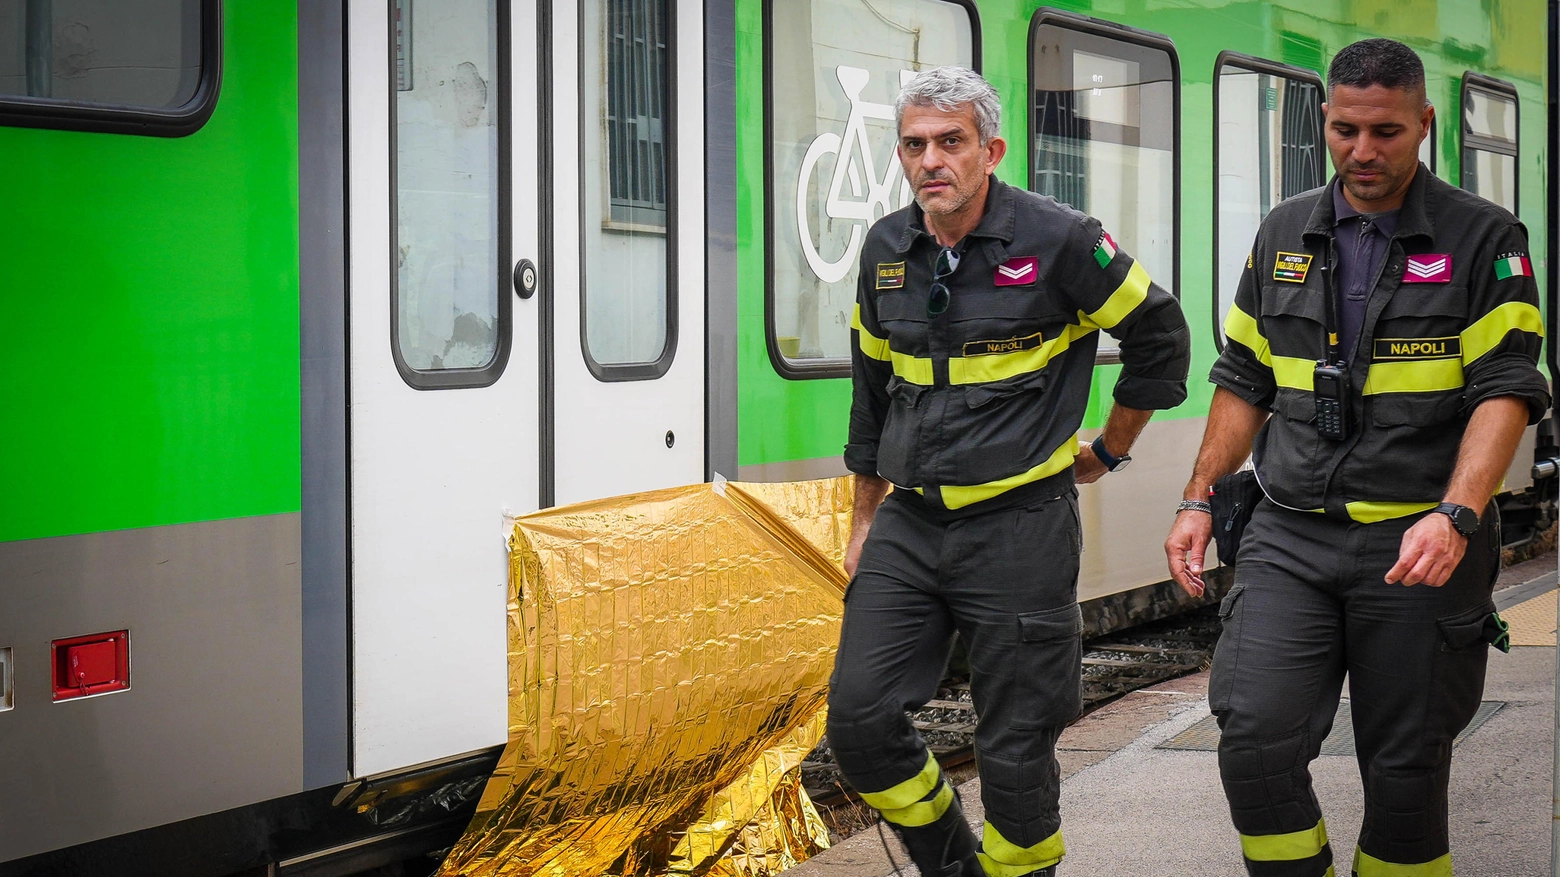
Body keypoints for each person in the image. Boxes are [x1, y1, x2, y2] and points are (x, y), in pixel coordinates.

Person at [1164, 38, 1548, 877]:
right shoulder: (1282, 231)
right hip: (1290, 534)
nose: (1363, 152)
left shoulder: (1484, 239)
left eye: (1385, 133)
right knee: (1255, 742)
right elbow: (1243, 376)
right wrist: (1198, 496)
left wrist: (1457, 514)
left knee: (1405, 776)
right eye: (1344, 130)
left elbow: (1507, 388)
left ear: (1425, 123)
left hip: (1420, 545)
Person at [830, 66, 1190, 877]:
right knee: (858, 724)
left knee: (1017, 757)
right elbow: (872, 394)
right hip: (912, 525)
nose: (933, 161)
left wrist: (1109, 447)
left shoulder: (1061, 239)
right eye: (916, 145)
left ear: (989, 150)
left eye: (951, 142)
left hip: (1020, 527)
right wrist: (862, 520)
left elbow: (1161, 336)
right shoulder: (887, 248)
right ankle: (954, 864)